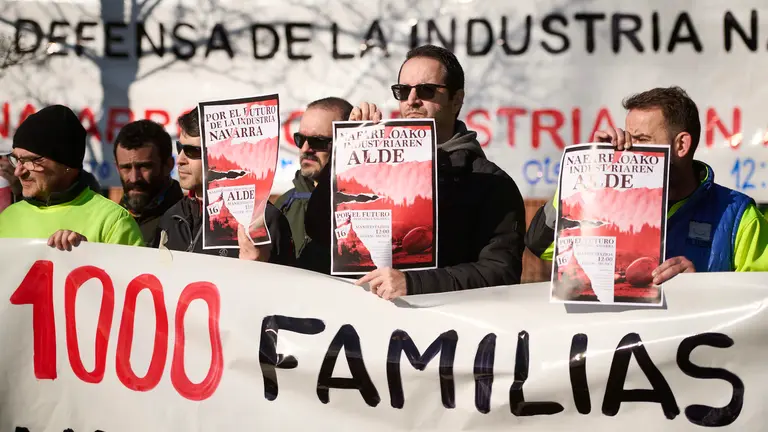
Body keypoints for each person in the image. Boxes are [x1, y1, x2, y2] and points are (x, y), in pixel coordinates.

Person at [303, 44, 527, 299]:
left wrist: (414, 283)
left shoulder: (491, 183)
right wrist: (349, 150)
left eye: (426, 90)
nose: (412, 100)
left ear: (456, 100)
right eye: (403, 91)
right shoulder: (376, 165)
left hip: (443, 330)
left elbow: (500, 272)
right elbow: (319, 228)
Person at [526, 86, 768, 283]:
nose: (630, 149)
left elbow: (758, 307)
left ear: (681, 146)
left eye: (642, 140)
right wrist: (589, 176)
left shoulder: (738, 216)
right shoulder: (606, 198)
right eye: (629, 138)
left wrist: (700, 291)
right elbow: (542, 245)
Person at [154, 108, 296, 265]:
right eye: (180, 148)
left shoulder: (265, 220)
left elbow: (286, 287)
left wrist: (258, 267)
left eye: (192, 151)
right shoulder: (171, 217)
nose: (180, 160)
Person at [0, 104, 144, 250]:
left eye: (31, 161)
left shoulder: (113, 221)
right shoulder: (7, 217)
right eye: (16, 159)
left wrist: (89, 256)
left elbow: (134, 272)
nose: (18, 171)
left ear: (66, 164)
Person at [275, 97, 353, 257]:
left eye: (317, 141)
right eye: (300, 139)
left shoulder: (364, 203)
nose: (305, 148)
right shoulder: (284, 204)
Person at [114, 119, 184, 245]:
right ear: (117, 167)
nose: (134, 178)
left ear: (168, 165)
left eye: (144, 167)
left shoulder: (188, 225)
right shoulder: (107, 219)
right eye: (126, 167)